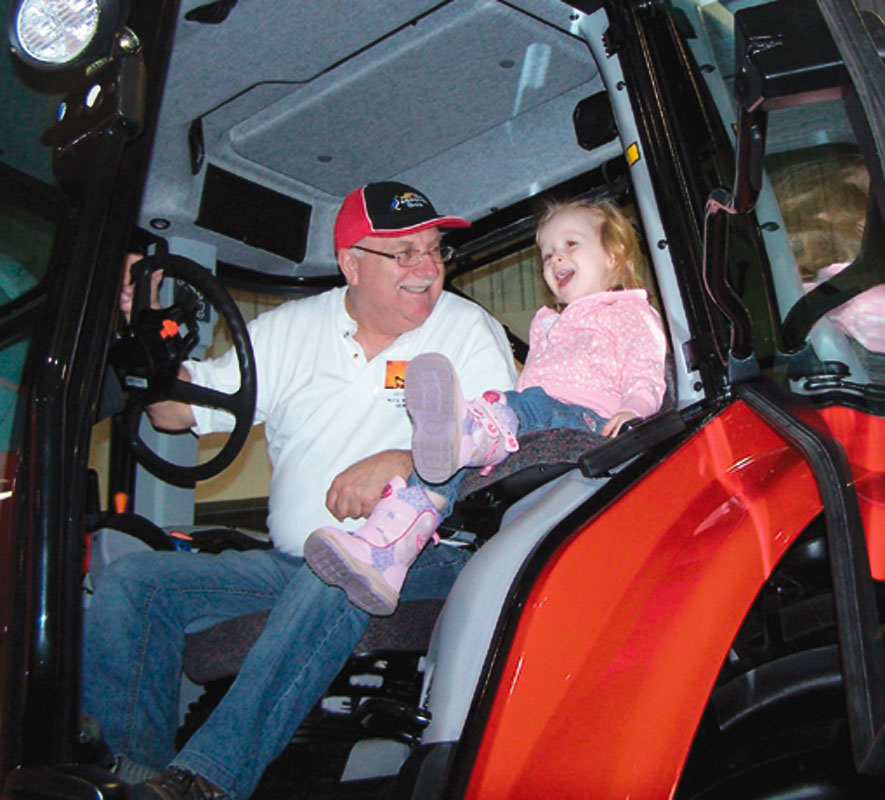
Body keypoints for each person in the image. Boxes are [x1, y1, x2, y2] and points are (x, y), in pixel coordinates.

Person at [81, 181, 517, 800]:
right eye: (405, 253)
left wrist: (404, 461)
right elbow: (178, 412)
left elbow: (503, 447)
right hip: (294, 562)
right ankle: (130, 775)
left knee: (341, 564)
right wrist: (143, 335)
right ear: (351, 264)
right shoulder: (290, 330)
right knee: (134, 585)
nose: (427, 268)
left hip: (428, 558)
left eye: (434, 250)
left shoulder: (467, 330)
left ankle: (204, 781)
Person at [304, 198, 668, 615]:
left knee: (521, 405)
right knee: (440, 473)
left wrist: (635, 411)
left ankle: (471, 431)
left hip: (586, 422)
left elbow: (646, 372)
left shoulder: (629, 312)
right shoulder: (548, 323)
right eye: (547, 254)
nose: (556, 258)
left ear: (613, 253)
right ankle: (384, 553)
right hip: (534, 419)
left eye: (571, 244)